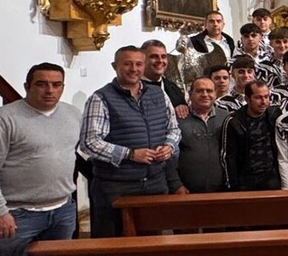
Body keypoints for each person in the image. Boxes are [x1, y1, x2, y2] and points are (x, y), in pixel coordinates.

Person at [0, 63, 81, 241]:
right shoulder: (2, 120)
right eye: (41, 84)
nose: (49, 90)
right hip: (17, 214)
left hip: (63, 210)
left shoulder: (73, 114)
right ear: (27, 86)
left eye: (56, 84)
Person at [80, 46, 179, 237]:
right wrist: (130, 154)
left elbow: (173, 129)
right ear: (115, 66)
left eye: (139, 64)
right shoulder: (101, 98)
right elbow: (89, 142)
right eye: (127, 64)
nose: (134, 69)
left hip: (155, 183)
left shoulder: (159, 94)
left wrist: (169, 146)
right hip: (116, 186)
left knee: (152, 241)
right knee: (112, 245)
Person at [167, 77, 229, 194]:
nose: (205, 94)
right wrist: (175, 184)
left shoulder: (226, 117)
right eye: (199, 91)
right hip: (185, 191)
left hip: (222, 191)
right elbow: (168, 155)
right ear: (190, 94)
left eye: (209, 91)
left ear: (216, 94)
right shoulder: (177, 119)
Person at [221, 80, 282, 191]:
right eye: (258, 97)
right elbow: (228, 157)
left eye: (266, 97)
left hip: (271, 177)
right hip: (246, 180)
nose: (264, 101)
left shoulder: (275, 115)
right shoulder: (233, 122)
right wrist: (232, 186)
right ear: (247, 99)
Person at [141, 40, 188, 117]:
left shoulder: (173, 88)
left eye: (163, 57)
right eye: (154, 56)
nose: (160, 61)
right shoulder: (133, 88)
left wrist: (183, 107)